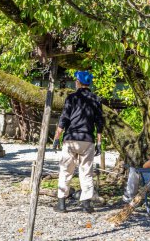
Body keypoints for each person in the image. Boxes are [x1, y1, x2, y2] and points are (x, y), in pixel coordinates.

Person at [52, 70, 103, 213]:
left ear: (78, 82)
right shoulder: (96, 99)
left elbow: (64, 119)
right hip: (88, 140)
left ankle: (62, 204)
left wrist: (57, 138)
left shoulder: (71, 98)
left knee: (65, 171)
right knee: (86, 172)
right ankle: (86, 204)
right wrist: (99, 143)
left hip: (70, 139)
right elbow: (99, 123)